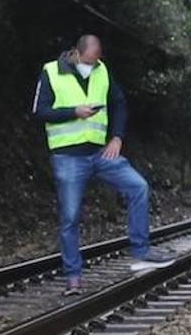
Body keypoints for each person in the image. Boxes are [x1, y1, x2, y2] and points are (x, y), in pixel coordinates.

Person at [31, 34, 174, 294]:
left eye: (96, 61)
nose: (93, 65)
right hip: (68, 157)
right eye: (89, 60)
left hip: (100, 154)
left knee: (138, 187)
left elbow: (119, 104)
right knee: (70, 217)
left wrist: (117, 137)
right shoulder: (51, 72)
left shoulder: (102, 70)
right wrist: (74, 112)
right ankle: (73, 277)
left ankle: (141, 252)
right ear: (76, 53)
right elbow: (39, 112)